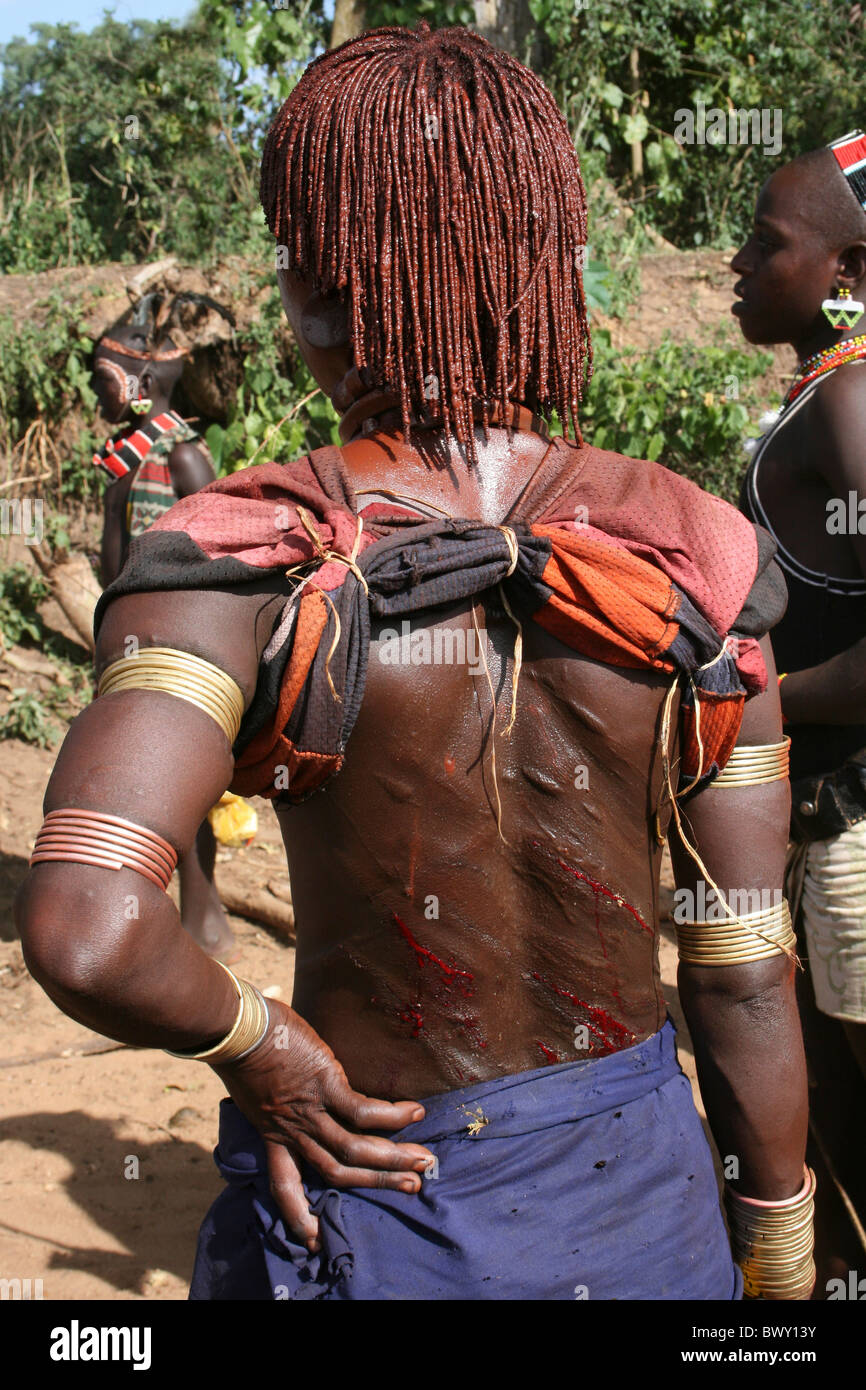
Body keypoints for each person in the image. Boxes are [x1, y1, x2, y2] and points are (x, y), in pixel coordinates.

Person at [17, 24, 812, 1301]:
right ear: (551, 275)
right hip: (642, 1209)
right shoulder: (694, 563)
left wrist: (262, 1048)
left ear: (312, 297)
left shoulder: (245, 559)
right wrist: (774, 1243)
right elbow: (744, 976)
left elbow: (91, 929)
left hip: (382, 1197)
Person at [733, 131, 866, 1074]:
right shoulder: (826, 392)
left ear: (848, 268)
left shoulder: (850, 398)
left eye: (766, 242)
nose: (738, 262)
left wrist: (757, 701)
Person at [90, 325, 237, 961]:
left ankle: (203, 921)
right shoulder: (125, 457)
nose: (96, 395)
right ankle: (159, 916)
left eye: (103, 382)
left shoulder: (182, 456)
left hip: (173, 649)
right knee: (135, 781)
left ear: (143, 384)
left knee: (178, 781)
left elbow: (223, 554)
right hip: (126, 646)